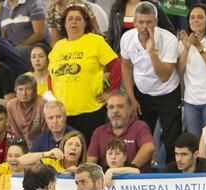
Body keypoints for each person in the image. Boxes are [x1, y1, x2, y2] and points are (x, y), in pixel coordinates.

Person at [48, 5, 121, 145]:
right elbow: (51, 76)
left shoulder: (95, 41)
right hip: (64, 113)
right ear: (64, 23)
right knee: (70, 153)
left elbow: (115, 65)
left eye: (78, 19)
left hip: (91, 110)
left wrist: (112, 91)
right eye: (70, 19)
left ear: (85, 23)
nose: (73, 22)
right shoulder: (58, 47)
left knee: (92, 152)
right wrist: (53, 100)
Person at [121, 1, 181, 164]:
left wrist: (152, 51)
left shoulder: (169, 39)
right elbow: (126, 67)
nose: (144, 26)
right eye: (140, 22)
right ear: (134, 23)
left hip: (167, 92)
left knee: (171, 140)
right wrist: (131, 97)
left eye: (149, 22)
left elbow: (164, 76)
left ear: (156, 21)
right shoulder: (127, 38)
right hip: (142, 93)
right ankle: (140, 173)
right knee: (141, 138)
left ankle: (171, 174)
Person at [177, 3, 206, 141]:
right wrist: (186, 48)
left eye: (200, 17)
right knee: (194, 142)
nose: (195, 20)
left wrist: (199, 46)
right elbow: (179, 70)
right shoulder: (184, 41)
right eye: (192, 17)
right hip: (191, 101)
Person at [87, 92, 155, 172]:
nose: (115, 111)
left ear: (130, 109)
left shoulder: (140, 126)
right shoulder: (99, 131)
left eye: (120, 106)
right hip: (107, 180)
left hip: (136, 180)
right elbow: (90, 162)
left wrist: (129, 169)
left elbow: (149, 148)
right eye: (111, 107)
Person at [106, 0, 175, 54]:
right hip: (122, 55)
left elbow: (169, 31)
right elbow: (111, 35)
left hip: (149, 56)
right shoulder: (116, 7)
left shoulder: (154, 6)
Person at [7, 74, 45, 148]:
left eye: (28, 89)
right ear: (15, 91)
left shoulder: (42, 104)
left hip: (41, 145)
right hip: (21, 144)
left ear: (35, 91)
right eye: (20, 89)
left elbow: (46, 134)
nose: (24, 93)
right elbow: (15, 132)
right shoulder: (11, 105)